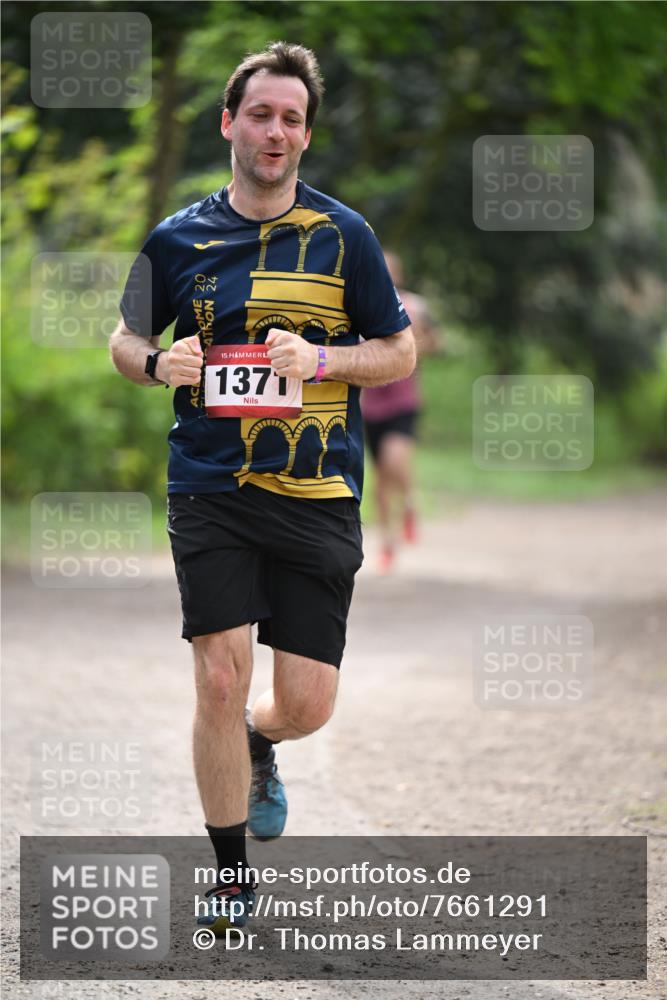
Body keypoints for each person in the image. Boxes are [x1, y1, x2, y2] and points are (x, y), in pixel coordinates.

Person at [110, 41, 414, 936]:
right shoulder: (175, 237)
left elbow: (397, 349)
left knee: (307, 705)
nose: (273, 130)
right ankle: (231, 874)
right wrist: (157, 361)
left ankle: (261, 738)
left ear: (304, 135)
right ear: (228, 124)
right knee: (214, 674)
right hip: (209, 483)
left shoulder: (344, 236)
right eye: (259, 114)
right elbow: (122, 339)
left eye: (289, 118)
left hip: (317, 492)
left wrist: (320, 358)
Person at [361, 252, 438, 572]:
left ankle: (408, 502)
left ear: (400, 276)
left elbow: (435, 343)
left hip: (403, 401)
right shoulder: (359, 305)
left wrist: (415, 343)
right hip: (370, 403)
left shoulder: (417, 307)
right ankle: (388, 543)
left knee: (396, 461)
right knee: (380, 478)